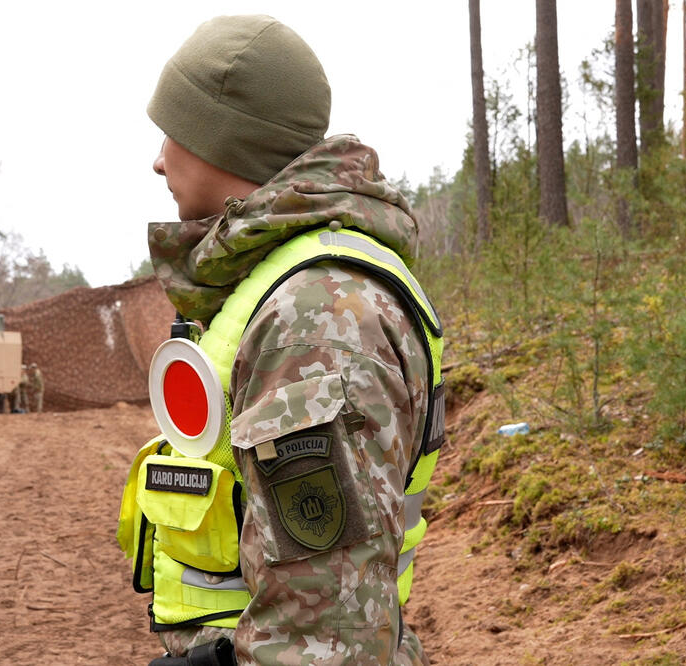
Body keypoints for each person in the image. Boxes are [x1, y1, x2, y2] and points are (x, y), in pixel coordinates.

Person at [117, 15, 444, 666]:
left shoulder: (315, 319)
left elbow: (326, 637)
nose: (157, 160)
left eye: (174, 131)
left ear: (224, 142)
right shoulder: (282, 288)